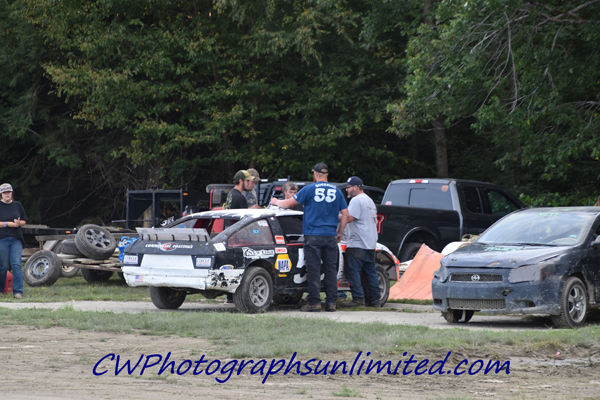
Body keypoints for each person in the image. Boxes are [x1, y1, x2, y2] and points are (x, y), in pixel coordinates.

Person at [272, 162, 348, 312]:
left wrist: (275, 201)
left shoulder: (309, 189)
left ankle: (314, 303)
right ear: (327, 174)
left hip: (313, 235)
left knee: (313, 269)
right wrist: (339, 233)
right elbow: (345, 214)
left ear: (315, 174)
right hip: (330, 236)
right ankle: (331, 303)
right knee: (330, 270)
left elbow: (288, 204)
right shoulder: (337, 191)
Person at [343, 176, 380, 307]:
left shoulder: (356, 200)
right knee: (370, 272)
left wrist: (334, 216)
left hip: (357, 243)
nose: (347, 190)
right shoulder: (370, 201)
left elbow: (349, 218)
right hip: (370, 243)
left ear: (356, 187)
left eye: (348, 187)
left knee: (352, 270)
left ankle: (358, 299)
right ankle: (375, 301)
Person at [222, 170, 254, 303]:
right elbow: (245, 220)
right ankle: (233, 297)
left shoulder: (231, 194)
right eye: (247, 181)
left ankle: (229, 296)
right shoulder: (239, 197)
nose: (250, 183)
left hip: (228, 235)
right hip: (237, 237)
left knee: (231, 267)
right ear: (241, 181)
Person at [0, 183, 27, 299]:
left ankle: (18, 291)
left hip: (16, 238)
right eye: (5, 192)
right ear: (1, 194)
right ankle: (1, 289)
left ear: (12, 193)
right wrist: (8, 224)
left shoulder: (17, 205)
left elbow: (24, 221)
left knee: (16, 264)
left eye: (9, 192)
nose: (7, 194)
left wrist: (18, 223)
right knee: (3, 266)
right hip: (2, 238)